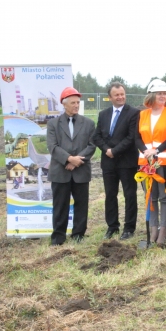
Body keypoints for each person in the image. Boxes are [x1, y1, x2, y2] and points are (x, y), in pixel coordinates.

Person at [46, 87, 96, 245]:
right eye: (73, 103)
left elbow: (92, 145)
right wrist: (68, 159)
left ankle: (78, 234)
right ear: (64, 104)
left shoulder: (88, 123)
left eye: (78, 102)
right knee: (60, 205)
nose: (76, 105)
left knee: (81, 204)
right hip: (60, 172)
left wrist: (76, 161)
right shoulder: (53, 124)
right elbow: (52, 146)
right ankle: (58, 237)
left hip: (81, 170)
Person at [135, 79, 166, 248]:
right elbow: (136, 137)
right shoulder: (142, 115)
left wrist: (157, 150)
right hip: (146, 162)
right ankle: (153, 230)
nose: (162, 96)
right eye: (159, 93)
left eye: (164, 93)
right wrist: (145, 151)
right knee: (151, 196)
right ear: (151, 95)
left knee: (165, 197)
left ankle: (163, 232)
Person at [92, 81, 140, 240]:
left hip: (127, 162)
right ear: (110, 97)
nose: (120, 97)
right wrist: (107, 150)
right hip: (108, 162)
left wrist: (115, 151)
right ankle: (112, 226)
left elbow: (131, 137)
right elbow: (96, 136)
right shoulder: (103, 114)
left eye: (122, 94)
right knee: (110, 195)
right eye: (116, 95)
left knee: (130, 195)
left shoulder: (134, 113)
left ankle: (129, 228)